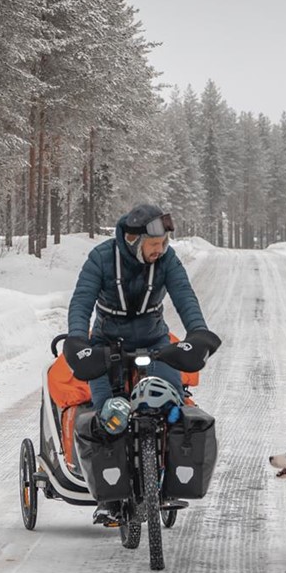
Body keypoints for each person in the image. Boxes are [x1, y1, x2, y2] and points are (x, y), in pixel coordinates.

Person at [61, 203, 221, 525]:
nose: (160, 251)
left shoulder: (167, 260)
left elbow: (185, 297)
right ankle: (110, 498)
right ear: (134, 241)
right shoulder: (102, 258)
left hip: (155, 340)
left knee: (171, 402)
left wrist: (198, 332)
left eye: (163, 245)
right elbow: (81, 301)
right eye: (154, 245)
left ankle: (169, 480)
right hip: (108, 343)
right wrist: (78, 340)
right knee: (107, 411)